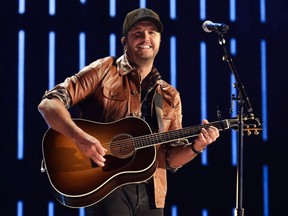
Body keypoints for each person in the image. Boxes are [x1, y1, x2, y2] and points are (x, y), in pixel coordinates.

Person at [38, 8, 220, 216]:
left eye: (152, 32)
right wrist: (80, 138)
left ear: (160, 40)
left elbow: (169, 159)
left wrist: (197, 147)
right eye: (138, 33)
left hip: (153, 195)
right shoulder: (104, 69)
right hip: (107, 187)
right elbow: (49, 104)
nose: (146, 38)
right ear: (124, 42)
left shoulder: (170, 95)